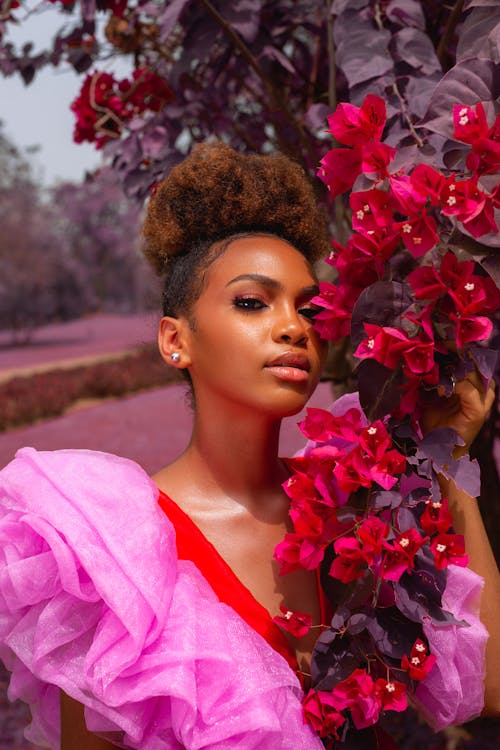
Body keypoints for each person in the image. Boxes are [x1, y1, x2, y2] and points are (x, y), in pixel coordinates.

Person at [0, 142, 499, 750]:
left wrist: (450, 452)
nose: (292, 326)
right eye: (251, 302)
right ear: (174, 340)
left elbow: (490, 687)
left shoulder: (360, 514)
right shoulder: (114, 554)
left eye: (307, 308)